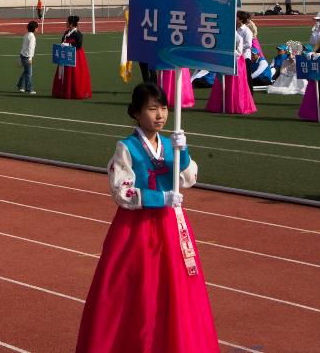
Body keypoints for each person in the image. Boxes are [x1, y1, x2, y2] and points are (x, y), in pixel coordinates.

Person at [74, 83, 218, 352]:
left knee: (176, 290)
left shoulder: (169, 144)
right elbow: (121, 191)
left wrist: (183, 152)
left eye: (163, 108)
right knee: (138, 291)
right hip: (136, 229)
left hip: (170, 225)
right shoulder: (126, 147)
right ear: (136, 113)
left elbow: (189, 179)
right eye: (152, 109)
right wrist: (158, 198)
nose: (160, 115)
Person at [206, 11, 257, 115]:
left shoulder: (246, 31)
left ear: (240, 19)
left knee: (246, 78)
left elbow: (248, 44)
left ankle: (248, 97)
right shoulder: (234, 29)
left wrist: (234, 51)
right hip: (233, 58)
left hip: (243, 57)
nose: (235, 19)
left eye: (237, 17)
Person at [53, 15, 92, 99]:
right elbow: (62, 40)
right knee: (65, 73)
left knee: (75, 74)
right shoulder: (66, 32)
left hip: (76, 56)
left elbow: (79, 45)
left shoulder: (78, 33)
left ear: (71, 24)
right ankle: (63, 91)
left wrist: (69, 45)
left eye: (67, 21)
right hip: (65, 55)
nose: (65, 23)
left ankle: (74, 92)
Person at [16, 20, 37, 94]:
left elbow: (23, 46)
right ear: (34, 29)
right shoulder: (32, 37)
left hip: (23, 55)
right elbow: (31, 48)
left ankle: (20, 86)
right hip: (27, 56)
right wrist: (30, 58)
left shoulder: (26, 35)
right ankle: (29, 88)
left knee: (26, 72)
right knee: (29, 74)